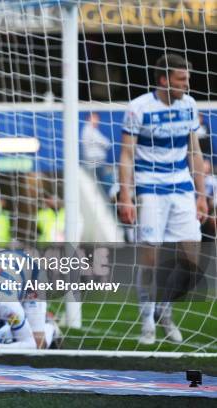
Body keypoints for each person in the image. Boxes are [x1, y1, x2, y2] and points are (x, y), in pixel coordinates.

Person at [118, 54, 207, 345]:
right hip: (150, 188)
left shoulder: (189, 105)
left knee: (190, 257)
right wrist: (126, 197)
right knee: (150, 258)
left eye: (187, 79)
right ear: (164, 80)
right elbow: (127, 155)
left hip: (181, 187)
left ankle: (163, 310)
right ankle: (147, 319)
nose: (187, 84)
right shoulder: (138, 108)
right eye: (182, 79)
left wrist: (202, 196)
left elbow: (195, 152)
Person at [81, 112, 115, 196]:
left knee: (104, 186)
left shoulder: (91, 130)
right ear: (89, 119)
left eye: (97, 118)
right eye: (94, 118)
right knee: (103, 188)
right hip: (95, 165)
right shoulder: (89, 130)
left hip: (97, 164)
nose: (97, 121)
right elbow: (106, 143)